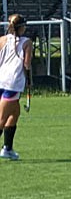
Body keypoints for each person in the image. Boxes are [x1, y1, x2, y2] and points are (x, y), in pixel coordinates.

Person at [0, 14, 32, 161]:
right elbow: (27, 64)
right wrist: (29, 81)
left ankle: (7, 148)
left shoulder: (2, 39)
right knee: (2, 118)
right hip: (12, 83)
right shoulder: (27, 42)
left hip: (2, 80)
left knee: (15, 113)